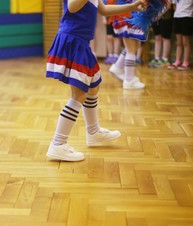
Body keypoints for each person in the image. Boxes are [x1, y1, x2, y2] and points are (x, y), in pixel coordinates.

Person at [46, 0, 146, 161]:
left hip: (82, 42)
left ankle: (93, 132)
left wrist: (132, 7)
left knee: (94, 87)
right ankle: (58, 144)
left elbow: (104, 9)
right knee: (78, 95)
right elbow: (72, 6)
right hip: (73, 41)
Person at [109, 0, 149, 90]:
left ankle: (118, 67)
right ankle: (128, 80)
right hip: (126, 13)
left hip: (130, 11)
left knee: (136, 45)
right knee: (131, 48)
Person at [168, 0, 193, 70]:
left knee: (186, 42)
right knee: (179, 42)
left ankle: (186, 62)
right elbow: (174, 5)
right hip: (177, 17)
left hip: (187, 17)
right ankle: (177, 61)